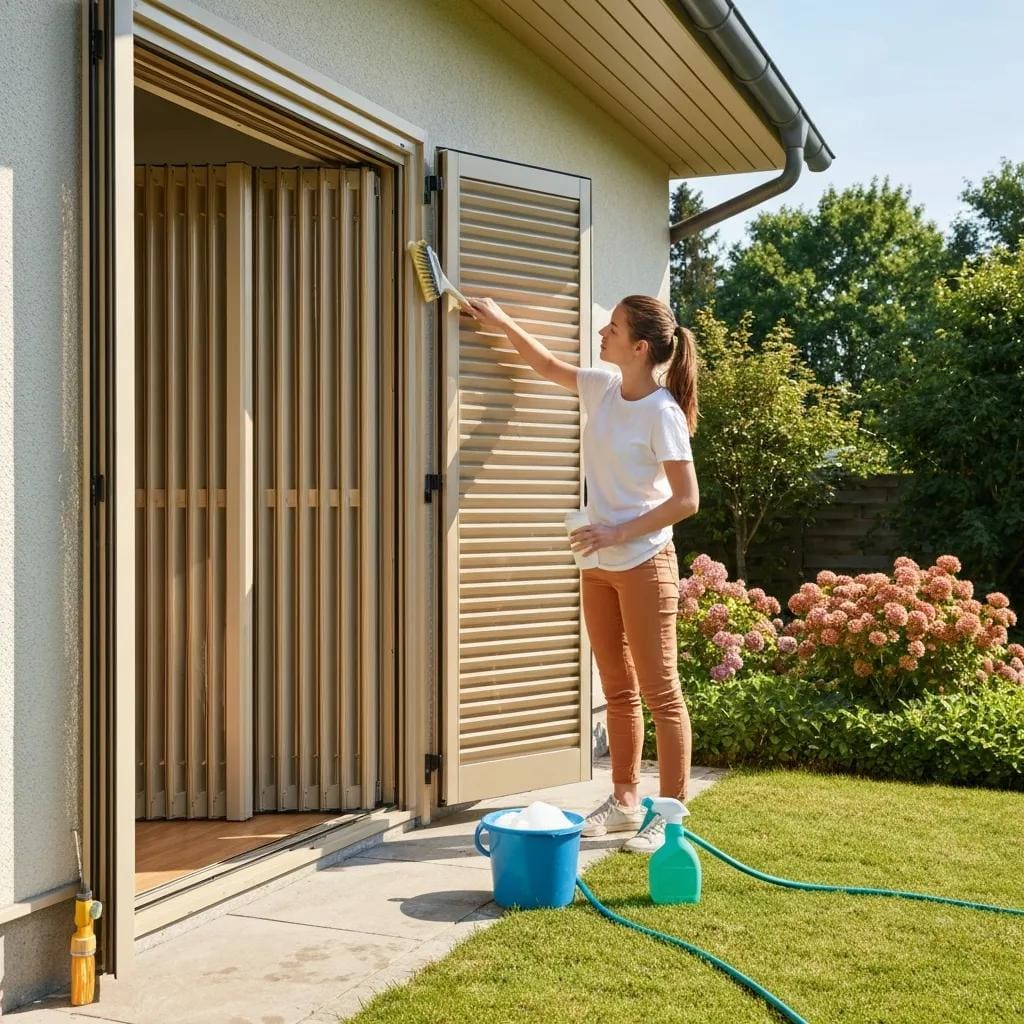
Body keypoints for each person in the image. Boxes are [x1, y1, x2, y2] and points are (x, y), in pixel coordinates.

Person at [463, 294, 699, 853]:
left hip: (644, 564)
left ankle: (667, 819)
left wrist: (619, 532)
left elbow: (687, 500)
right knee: (617, 690)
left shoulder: (662, 413)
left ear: (640, 347)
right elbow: (546, 365)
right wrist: (500, 320)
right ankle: (623, 802)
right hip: (598, 563)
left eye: (613, 327)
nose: (602, 330)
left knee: (661, 694)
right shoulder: (602, 388)